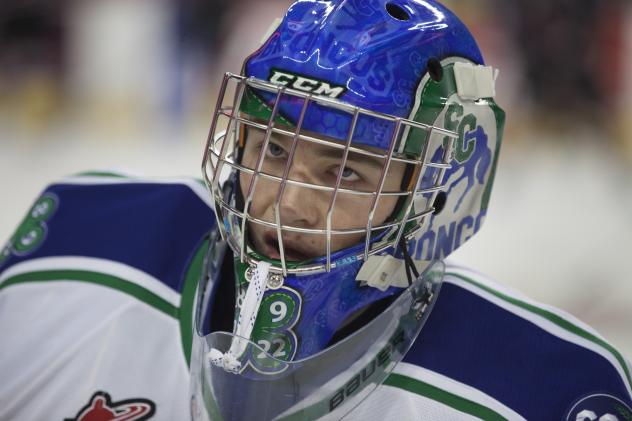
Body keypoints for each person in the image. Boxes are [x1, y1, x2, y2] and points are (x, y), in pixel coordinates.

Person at [1, 1, 630, 420]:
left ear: (439, 191)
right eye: (272, 148)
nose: (291, 204)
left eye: (346, 171)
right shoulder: (74, 251)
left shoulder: (547, 391)